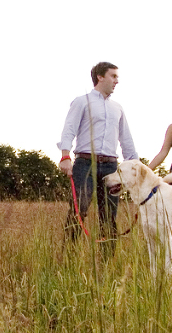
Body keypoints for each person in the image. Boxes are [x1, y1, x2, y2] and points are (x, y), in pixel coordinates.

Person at [57, 62, 139, 242]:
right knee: (80, 210)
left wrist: (136, 167)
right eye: (113, 76)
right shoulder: (81, 101)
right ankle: (69, 257)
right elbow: (69, 128)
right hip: (85, 164)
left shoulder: (117, 108)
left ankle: (107, 265)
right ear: (100, 77)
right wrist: (65, 156)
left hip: (111, 165)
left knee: (109, 215)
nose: (117, 81)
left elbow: (126, 140)